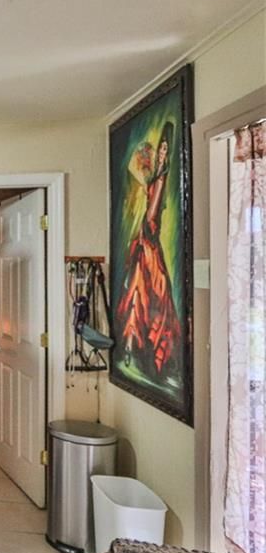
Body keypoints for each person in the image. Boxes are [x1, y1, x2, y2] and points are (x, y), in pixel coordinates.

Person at [116, 122, 181, 376]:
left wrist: (146, 231)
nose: (162, 152)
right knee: (137, 292)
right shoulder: (154, 177)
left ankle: (143, 349)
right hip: (145, 240)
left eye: (166, 148)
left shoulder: (161, 179)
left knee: (146, 291)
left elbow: (153, 215)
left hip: (149, 240)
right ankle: (133, 346)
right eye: (161, 148)